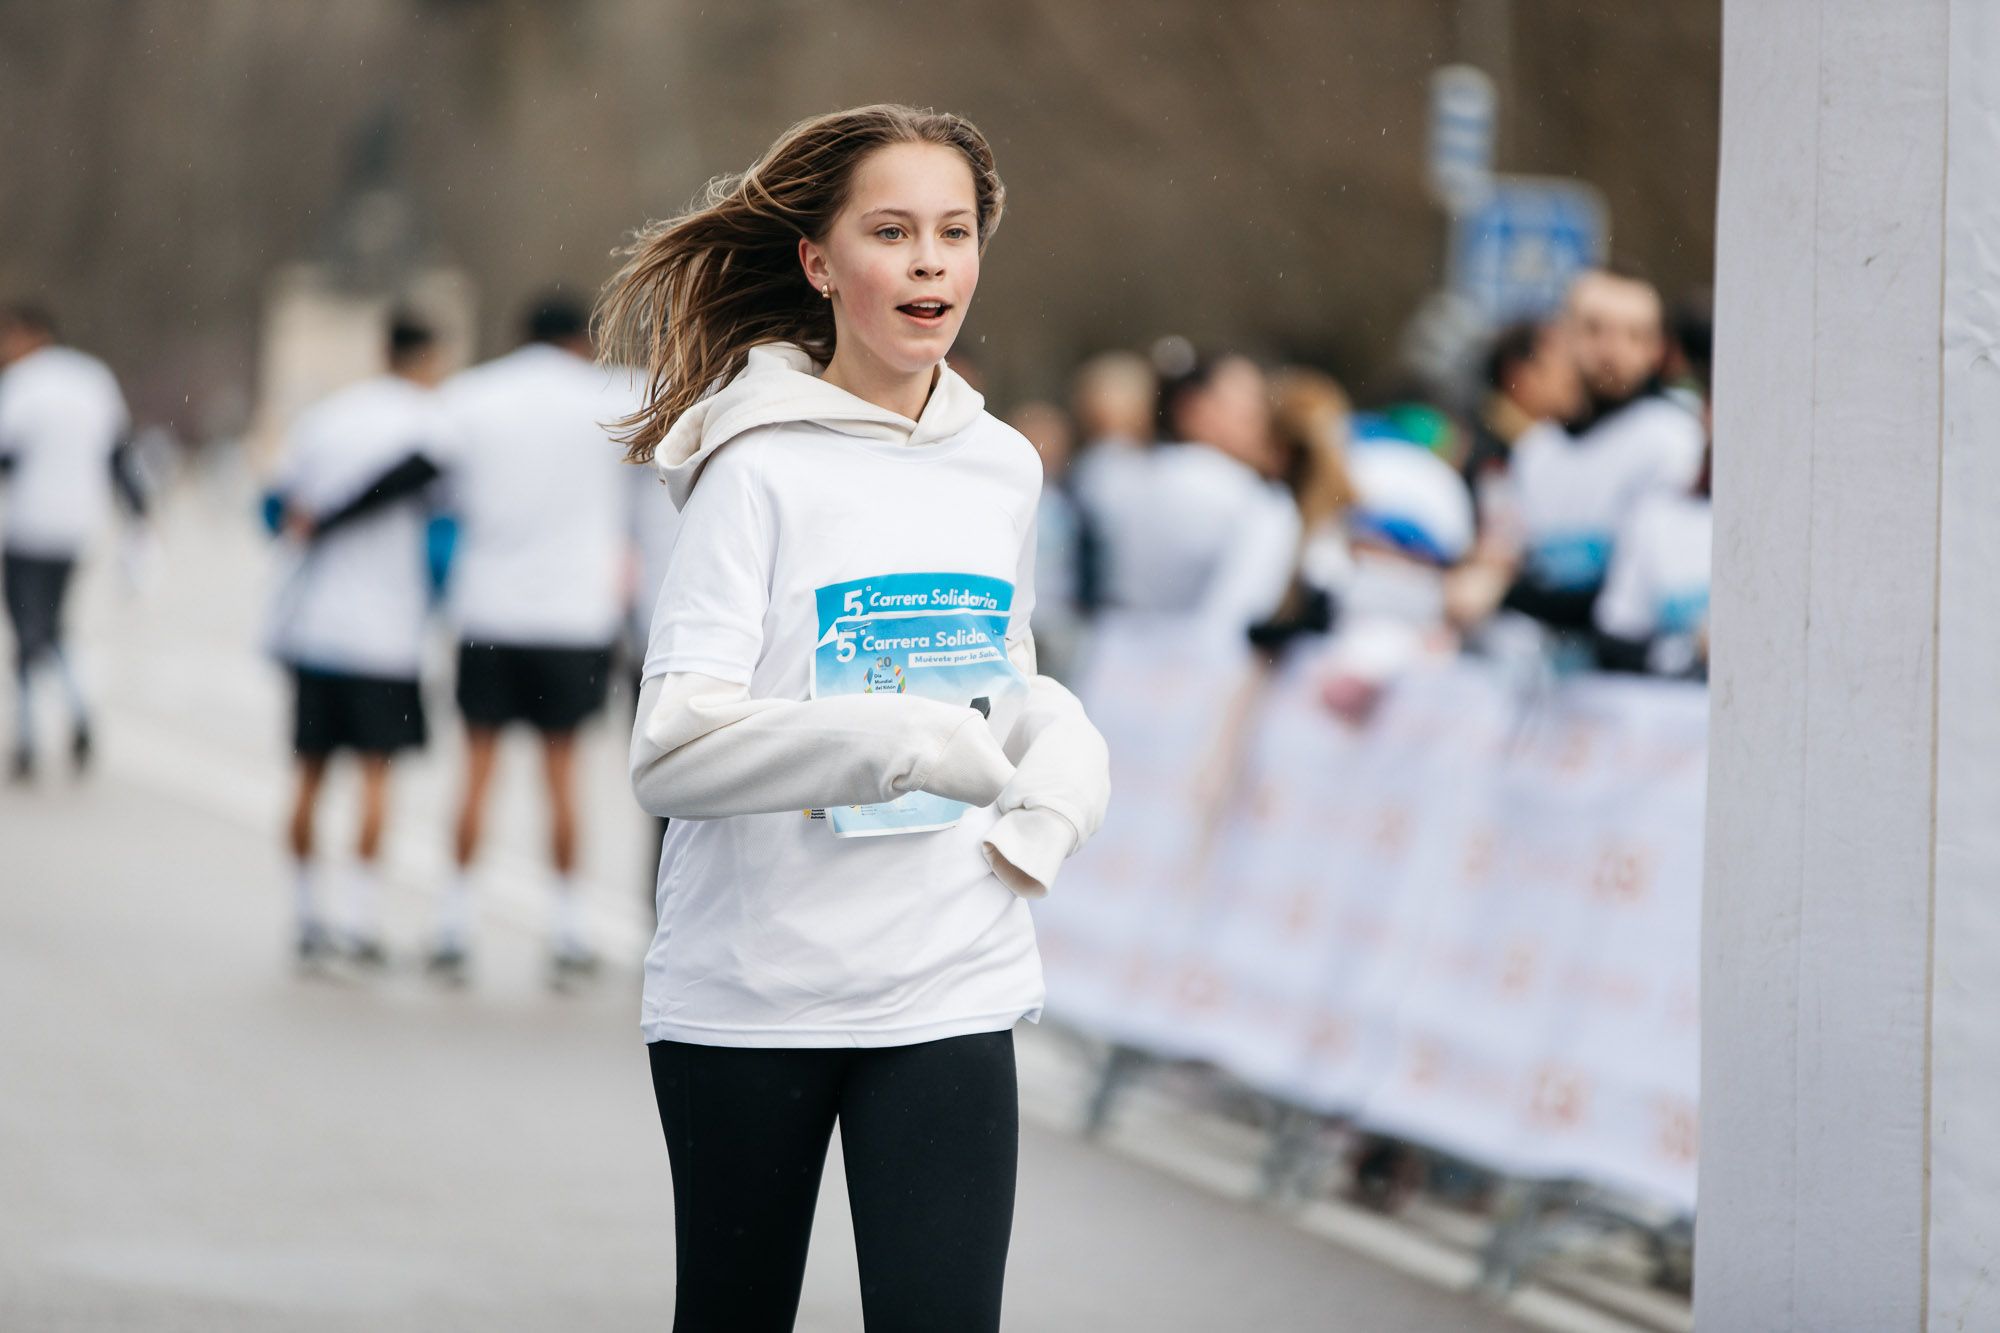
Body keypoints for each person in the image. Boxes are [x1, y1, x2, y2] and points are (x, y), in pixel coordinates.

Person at [597, 104, 1111, 1332]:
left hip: (947, 975)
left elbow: (1000, 671)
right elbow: (671, 749)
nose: (930, 260)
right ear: (821, 264)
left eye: (954, 231)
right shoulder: (756, 464)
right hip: (753, 990)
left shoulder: (1003, 465)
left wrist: (1053, 741)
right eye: (891, 231)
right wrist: (888, 743)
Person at [429, 297, 637, 982]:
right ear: (583, 340)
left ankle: (454, 923)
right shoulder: (611, 397)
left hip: (489, 609)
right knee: (563, 776)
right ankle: (568, 927)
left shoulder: (472, 395)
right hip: (575, 615)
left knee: (478, 771)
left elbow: (439, 493)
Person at [265, 315, 447, 962]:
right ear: (429, 357)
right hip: (387, 631)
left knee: (309, 774)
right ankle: (362, 920)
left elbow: (274, 510)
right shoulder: (434, 421)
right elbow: (445, 530)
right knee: (376, 777)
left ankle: (306, 915)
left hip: (316, 624)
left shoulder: (328, 417)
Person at [1451, 265, 1704, 653]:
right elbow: (1508, 556)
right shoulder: (1538, 450)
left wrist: (1503, 595)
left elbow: (1623, 602)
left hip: (1633, 696)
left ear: (1657, 349)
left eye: (1634, 334)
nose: (1612, 350)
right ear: (1562, 335)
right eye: (1594, 329)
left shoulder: (1672, 441)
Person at [0, 303, 144, 782]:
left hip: (26, 526)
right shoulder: (93, 378)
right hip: (79, 525)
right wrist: (137, 513)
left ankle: (28, 736)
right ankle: (79, 709)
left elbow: (8, 457)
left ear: (33, 335)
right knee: (56, 626)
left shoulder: (22, 384)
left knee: (27, 631)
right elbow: (118, 454)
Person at [1088, 347, 1301, 635]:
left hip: (1107, 659)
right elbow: (1241, 616)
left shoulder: (1110, 479)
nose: (1261, 420)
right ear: (1192, 407)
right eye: (1248, 406)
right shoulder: (1255, 500)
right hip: (1201, 667)